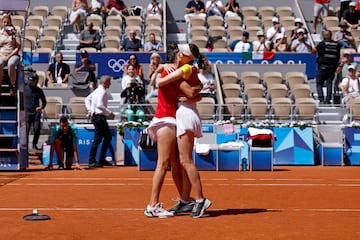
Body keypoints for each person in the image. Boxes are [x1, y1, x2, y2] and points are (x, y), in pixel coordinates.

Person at [144, 43, 204, 218]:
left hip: (173, 119)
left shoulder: (183, 72)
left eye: (181, 52)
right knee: (163, 164)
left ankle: (185, 200)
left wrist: (197, 92)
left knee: (177, 163)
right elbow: (160, 83)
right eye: (178, 52)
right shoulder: (171, 72)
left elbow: (195, 90)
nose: (179, 53)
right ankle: (152, 205)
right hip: (165, 118)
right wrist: (159, 68)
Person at [85, 75, 115, 168]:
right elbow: (100, 105)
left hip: (97, 117)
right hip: (99, 117)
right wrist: (110, 113)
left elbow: (87, 99)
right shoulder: (102, 91)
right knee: (98, 139)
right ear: (105, 82)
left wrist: (90, 110)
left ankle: (101, 159)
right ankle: (91, 160)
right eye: (109, 82)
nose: (110, 84)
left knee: (107, 137)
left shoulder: (97, 91)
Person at [315, 30, 341, 104]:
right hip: (332, 66)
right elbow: (338, 56)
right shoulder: (337, 45)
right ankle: (328, 100)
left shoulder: (322, 44)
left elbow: (314, 51)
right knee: (329, 83)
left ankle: (321, 99)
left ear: (324, 35)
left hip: (323, 66)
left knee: (319, 82)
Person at [0, 14, 21, 96]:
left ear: (10, 23)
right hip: (2, 54)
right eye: (4, 22)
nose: (6, 24)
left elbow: (18, 47)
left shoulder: (15, 32)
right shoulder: (0, 33)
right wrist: (2, 56)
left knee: (11, 64)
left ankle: (13, 86)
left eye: (7, 22)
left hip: (13, 54)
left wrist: (9, 56)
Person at [25, 72, 47, 151]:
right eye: (30, 81)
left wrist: (41, 107)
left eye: (32, 81)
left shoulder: (39, 90)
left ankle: (34, 144)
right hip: (26, 112)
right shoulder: (24, 89)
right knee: (26, 130)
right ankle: (25, 146)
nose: (31, 83)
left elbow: (44, 102)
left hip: (36, 113)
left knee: (36, 129)